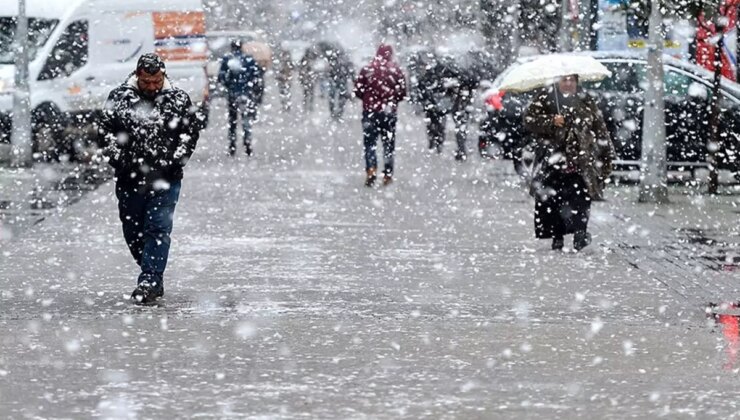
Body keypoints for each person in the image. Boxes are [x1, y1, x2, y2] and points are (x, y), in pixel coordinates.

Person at [99, 53, 204, 304]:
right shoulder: (119, 98)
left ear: (163, 76)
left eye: (156, 81)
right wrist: (119, 160)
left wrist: (175, 162)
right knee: (133, 231)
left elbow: (189, 134)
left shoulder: (178, 99)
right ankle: (150, 268)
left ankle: (150, 280)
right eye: (146, 82)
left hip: (165, 179)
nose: (152, 87)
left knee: (157, 228)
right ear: (137, 76)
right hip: (130, 178)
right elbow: (105, 133)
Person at [523, 74, 615, 251]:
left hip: (580, 162)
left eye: (571, 80)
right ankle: (557, 237)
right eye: (564, 80)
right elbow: (529, 121)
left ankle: (580, 235)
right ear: (558, 81)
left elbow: (599, 128)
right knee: (554, 200)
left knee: (581, 199)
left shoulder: (586, 100)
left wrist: (606, 155)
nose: (568, 83)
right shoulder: (545, 98)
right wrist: (551, 121)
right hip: (552, 161)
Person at [354, 44, 407, 187]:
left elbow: (358, 90)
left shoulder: (367, 69)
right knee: (388, 144)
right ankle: (388, 174)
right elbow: (402, 93)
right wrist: (391, 100)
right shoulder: (395, 71)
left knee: (370, 143)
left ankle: (371, 169)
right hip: (389, 113)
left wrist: (368, 100)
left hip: (370, 112)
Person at [418, 56, 477, 161]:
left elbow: (424, 84)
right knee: (456, 125)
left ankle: (439, 141)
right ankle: (458, 148)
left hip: (446, 102)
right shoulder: (459, 72)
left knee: (439, 122)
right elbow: (471, 83)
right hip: (453, 102)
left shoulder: (438, 71)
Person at [217, 39, 264, 156]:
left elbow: (222, 77)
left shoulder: (228, 60)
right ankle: (247, 144)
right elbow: (257, 76)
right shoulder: (249, 60)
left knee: (233, 121)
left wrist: (228, 86)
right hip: (246, 94)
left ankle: (232, 145)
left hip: (233, 94)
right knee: (246, 119)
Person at [326, 49, 354, 120]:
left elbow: (329, 71)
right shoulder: (345, 61)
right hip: (340, 81)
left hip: (336, 81)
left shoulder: (334, 61)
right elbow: (351, 71)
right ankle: (338, 113)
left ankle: (334, 112)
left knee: (334, 97)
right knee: (341, 97)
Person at [274, 47, 294, 112]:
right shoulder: (281, 62)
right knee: (283, 92)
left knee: (286, 92)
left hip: (286, 80)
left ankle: (286, 105)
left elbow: (291, 69)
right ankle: (284, 105)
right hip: (282, 80)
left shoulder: (287, 62)